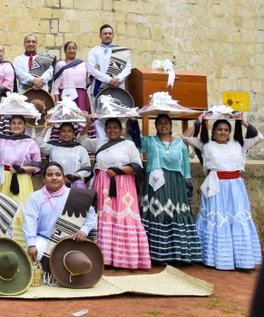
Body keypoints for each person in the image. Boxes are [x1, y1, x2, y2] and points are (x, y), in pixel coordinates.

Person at [183, 115, 263, 270]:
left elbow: (259, 136)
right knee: (218, 219)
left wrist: (242, 120)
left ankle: (240, 259)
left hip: (235, 188)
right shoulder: (206, 145)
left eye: (226, 130)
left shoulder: (239, 144)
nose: (223, 132)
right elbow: (184, 137)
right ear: (213, 132)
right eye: (219, 129)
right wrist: (199, 121)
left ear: (230, 132)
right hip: (215, 186)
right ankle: (214, 258)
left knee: (236, 218)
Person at [77, 117, 151, 269]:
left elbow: (138, 166)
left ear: (121, 129)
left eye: (115, 127)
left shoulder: (128, 144)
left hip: (123, 186)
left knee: (122, 218)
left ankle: (126, 259)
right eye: (109, 127)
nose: (112, 130)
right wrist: (89, 122)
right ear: (105, 130)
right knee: (104, 217)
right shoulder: (99, 142)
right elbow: (81, 140)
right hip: (102, 184)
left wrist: (119, 170)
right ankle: (104, 258)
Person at [134, 115, 202, 264]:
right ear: (156, 126)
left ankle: (177, 254)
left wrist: (185, 181)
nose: (163, 125)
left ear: (171, 126)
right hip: (155, 183)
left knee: (175, 212)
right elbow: (134, 143)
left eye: (166, 123)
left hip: (175, 183)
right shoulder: (149, 141)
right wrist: (132, 120)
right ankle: (156, 254)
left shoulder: (180, 144)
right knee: (158, 212)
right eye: (160, 123)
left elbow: (185, 166)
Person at [0, 115, 40, 248]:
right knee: (2, 211)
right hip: (4, 178)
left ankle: (21, 246)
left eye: (20, 123)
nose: (16, 125)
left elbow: (37, 166)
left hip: (22, 179)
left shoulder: (31, 143)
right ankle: (2, 244)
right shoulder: (2, 140)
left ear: (25, 125)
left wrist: (22, 169)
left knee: (21, 212)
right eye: (13, 123)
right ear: (9, 125)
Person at [23, 162, 97, 264]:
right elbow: (30, 221)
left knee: (75, 262)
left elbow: (91, 215)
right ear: (44, 179)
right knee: (36, 251)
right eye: (50, 175)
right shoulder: (35, 197)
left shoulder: (75, 195)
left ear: (64, 178)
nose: (54, 178)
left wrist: (83, 231)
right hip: (44, 239)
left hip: (70, 241)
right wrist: (31, 244)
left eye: (58, 174)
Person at [87, 25, 131, 138]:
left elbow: (128, 68)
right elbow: (92, 69)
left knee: (117, 115)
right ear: (100, 35)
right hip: (99, 87)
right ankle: (102, 143)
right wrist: (109, 80)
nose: (107, 35)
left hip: (117, 87)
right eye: (105, 33)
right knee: (99, 116)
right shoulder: (93, 51)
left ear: (113, 35)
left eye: (109, 33)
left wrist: (118, 79)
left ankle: (116, 141)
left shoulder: (122, 51)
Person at [52, 41, 94, 138]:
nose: (71, 50)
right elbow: (56, 85)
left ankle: (83, 142)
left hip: (81, 96)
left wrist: (94, 75)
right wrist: (57, 101)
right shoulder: (60, 64)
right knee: (66, 119)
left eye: (73, 48)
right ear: (65, 51)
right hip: (65, 96)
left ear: (76, 50)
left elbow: (86, 82)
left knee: (82, 119)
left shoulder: (83, 64)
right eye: (69, 48)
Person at [37, 122, 92, 188]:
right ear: (59, 133)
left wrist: (74, 176)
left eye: (69, 131)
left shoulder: (80, 149)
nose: (66, 134)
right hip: (56, 185)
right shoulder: (53, 148)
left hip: (76, 185)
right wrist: (46, 128)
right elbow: (39, 144)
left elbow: (87, 169)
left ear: (73, 134)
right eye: (63, 131)